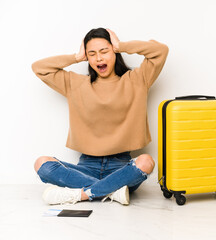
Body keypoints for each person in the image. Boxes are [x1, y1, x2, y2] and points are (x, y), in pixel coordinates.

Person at [31, 28, 169, 205]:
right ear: (87, 57)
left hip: (122, 167)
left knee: (146, 162)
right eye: (92, 54)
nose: (99, 58)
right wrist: (76, 57)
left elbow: (161, 51)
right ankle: (112, 191)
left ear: (114, 52)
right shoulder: (76, 84)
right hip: (85, 167)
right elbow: (39, 68)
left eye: (105, 51)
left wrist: (121, 45)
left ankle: (82, 194)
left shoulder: (137, 79)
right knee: (41, 163)